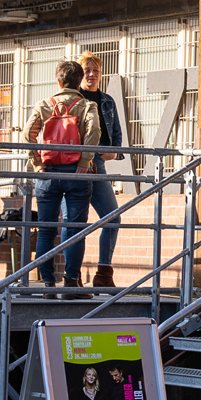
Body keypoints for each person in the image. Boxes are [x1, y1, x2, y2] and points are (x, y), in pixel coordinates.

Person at [24, 60, 102, 292]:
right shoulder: (87, 105)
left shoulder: (44, 105)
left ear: (58, 81)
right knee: (75, 228)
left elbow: (28, 133)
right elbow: (94, 132)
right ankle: (70, 282)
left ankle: (48, 283)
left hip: (48, 173)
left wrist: (37, 163)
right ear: (79, 82)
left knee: (46, 229)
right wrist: (84, 161)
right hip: (76, 173)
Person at [76, 52, 126, 290]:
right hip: (74, 164)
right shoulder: (72, 98)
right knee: (75, 221)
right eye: (87, 70)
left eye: (96, 70)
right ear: (79, 72)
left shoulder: (107, 101)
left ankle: (103, 274)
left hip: (98, 163)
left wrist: (114, 152)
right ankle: (72, 275)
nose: (92, 74)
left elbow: (116, 135)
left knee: (112, 217)